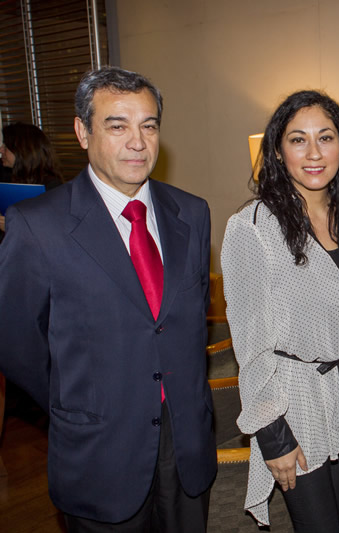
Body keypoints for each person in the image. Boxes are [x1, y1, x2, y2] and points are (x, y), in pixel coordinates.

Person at [0, 66, 216, 532]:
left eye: (149, 126)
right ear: (83, 132)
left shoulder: (192, 212)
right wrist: (78, 399)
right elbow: (16, 343)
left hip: (186, 445)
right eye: (117, 126)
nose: (137, 142)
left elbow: (190, 319)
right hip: (100, 451)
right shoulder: (37, 225)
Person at [220, 90, 339, 531]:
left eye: (325, 138)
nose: (314, 153)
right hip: (294, 407)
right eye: (298, 140)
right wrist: (272, 433)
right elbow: (251, 346)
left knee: (334, 518)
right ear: (278, 151)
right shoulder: (252, 228)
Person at [0, 122, 63, 237]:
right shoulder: (7, 177)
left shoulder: (51, 186)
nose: (1, 150)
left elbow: (53, 232)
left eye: (6, 146)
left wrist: (13, 227)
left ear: (21, 150)